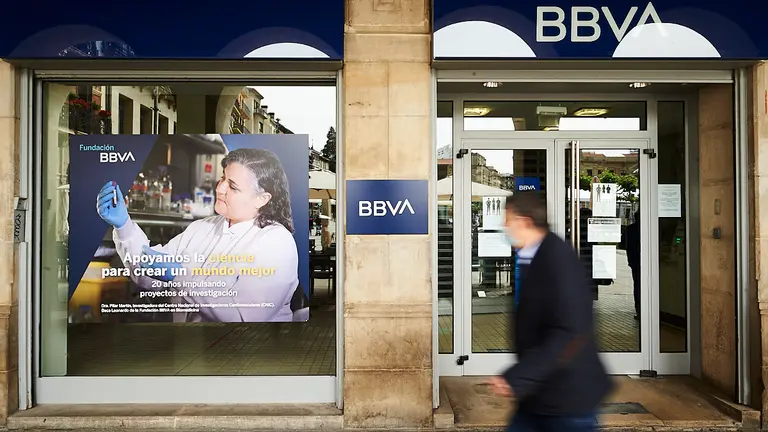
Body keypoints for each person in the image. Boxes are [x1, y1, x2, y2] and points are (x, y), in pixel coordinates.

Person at [96, 148, 300, 323]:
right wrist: (124, 226)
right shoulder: (201, 228)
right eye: (222, 178)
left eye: (233, 186)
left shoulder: (276, 242)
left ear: (261, 199)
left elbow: (242, 317)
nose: (219, 188)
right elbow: (147, 277)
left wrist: (179, 275)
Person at [488, 194, 612, 432]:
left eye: (508, 219)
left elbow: (569, 332)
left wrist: (519, 377)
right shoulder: (533, 255)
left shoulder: (558, 258)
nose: (504, 226)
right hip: (539, 395)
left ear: (525, 222)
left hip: (567, 400)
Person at [623, 210, 641, 319]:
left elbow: (622, 243)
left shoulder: (629, 229)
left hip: (634, 261)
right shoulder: (648, 228)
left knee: (637, 284)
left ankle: (639, 310)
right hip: (640, 261)